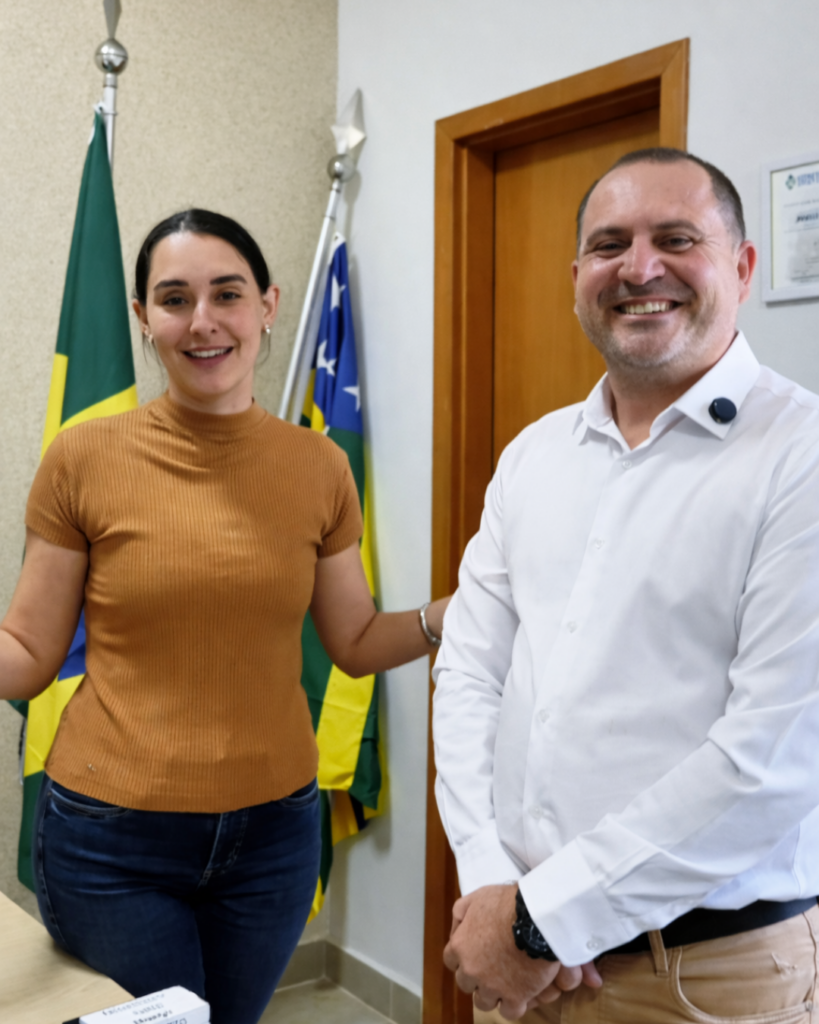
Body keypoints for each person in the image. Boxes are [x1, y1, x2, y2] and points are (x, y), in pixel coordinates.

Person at [0, 209, 449, 1024]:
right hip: (112, 841)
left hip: (273, 842)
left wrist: (444, 617)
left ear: (267, 305)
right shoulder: (84, 459)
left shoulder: (319, 466)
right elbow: (28, 653)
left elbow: (352, 641)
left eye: (227, 294)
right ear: (143, 318)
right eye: (174, 299)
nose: (202, 320)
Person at [433, 148, 819, 1023]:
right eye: (609, 245)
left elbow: (771, 760)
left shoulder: (800, 456)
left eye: (675, 239)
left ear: (741, 268)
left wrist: (540, 919)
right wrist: (491, 885)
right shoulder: (533, 455)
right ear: (576, 277)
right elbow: (469, 673)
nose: (639, 269)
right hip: (513, 954)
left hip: (701, 979)